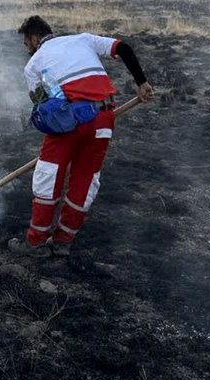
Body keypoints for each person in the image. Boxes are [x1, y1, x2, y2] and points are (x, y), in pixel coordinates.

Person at [9, 15, 154, 257]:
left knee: (49, 176)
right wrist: (142, 83)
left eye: (26, 44)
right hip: (103, 118)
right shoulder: (84, 40)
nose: (27, 49)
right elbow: (123, 48)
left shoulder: (33, 65)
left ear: (34, 39)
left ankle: (35, 243)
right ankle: (64, 242)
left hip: (68, 122)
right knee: (86, 179)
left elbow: (44, 107)